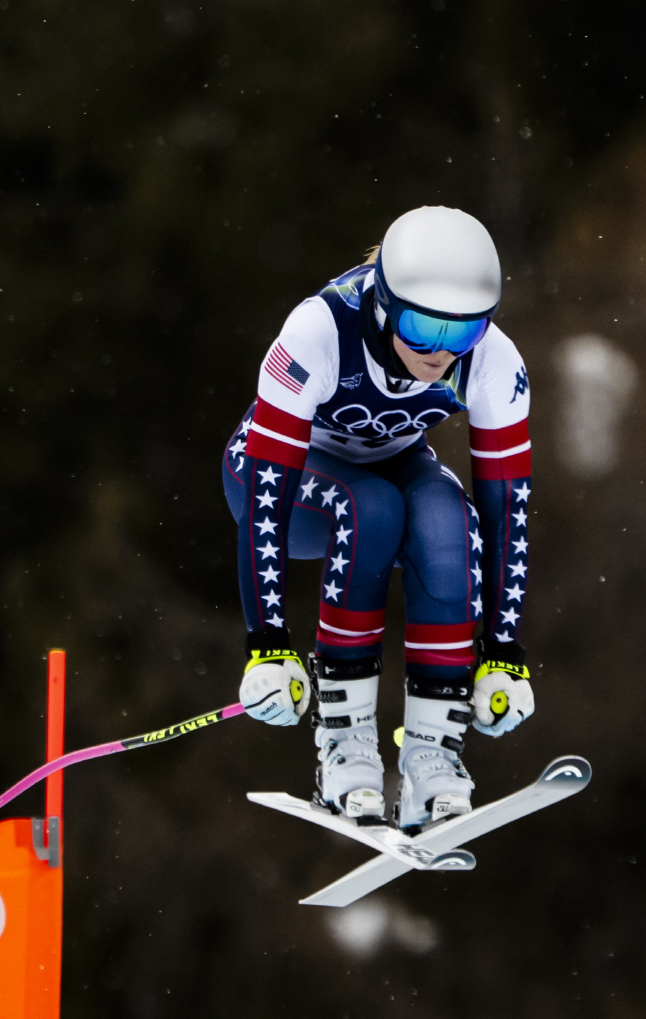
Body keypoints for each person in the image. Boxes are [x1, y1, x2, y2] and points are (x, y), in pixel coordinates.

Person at [224, 205, 534, 832]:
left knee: (450, 520)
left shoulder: (495, 360)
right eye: (422, 328)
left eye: (463, 333)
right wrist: (267, 645)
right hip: (283, 481)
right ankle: (344, 746)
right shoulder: (319, 330)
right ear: (387, 306)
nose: (440, 353)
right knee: (372, 508)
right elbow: (267, 494)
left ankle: (431, 756)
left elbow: (508, 510)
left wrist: (504, 652)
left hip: (393, 464)